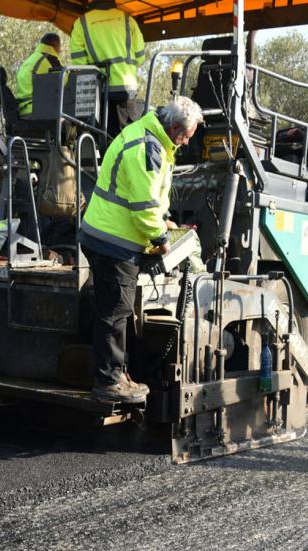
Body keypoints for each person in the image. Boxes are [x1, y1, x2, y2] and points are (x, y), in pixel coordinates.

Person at [80, 96, 203, 403]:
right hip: (113, 240)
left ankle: (116, 374)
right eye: (186, 137)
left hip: (110, 236)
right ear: (175, 128)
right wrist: (162, 240)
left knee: (114, 310)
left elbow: (148, 199)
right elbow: (143, 208)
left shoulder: (150, 137)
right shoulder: (148, 148)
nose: (186, 144)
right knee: (115, 312)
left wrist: (164, 221)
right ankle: (109, 381)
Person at [70, 0, 146, 137]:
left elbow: (78, 61)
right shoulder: (128, 20)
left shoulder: (81, 23)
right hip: (125, 86)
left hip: (98, 88)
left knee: (102, 135)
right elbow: (140, 57)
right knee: (127, 136)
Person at [16, 33, 63, 117]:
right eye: (60, 48)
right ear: (56, 45)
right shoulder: (50, 58)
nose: (60, 51)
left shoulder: (29, 60)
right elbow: (64, 82)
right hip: (37, 111)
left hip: (22, 111)